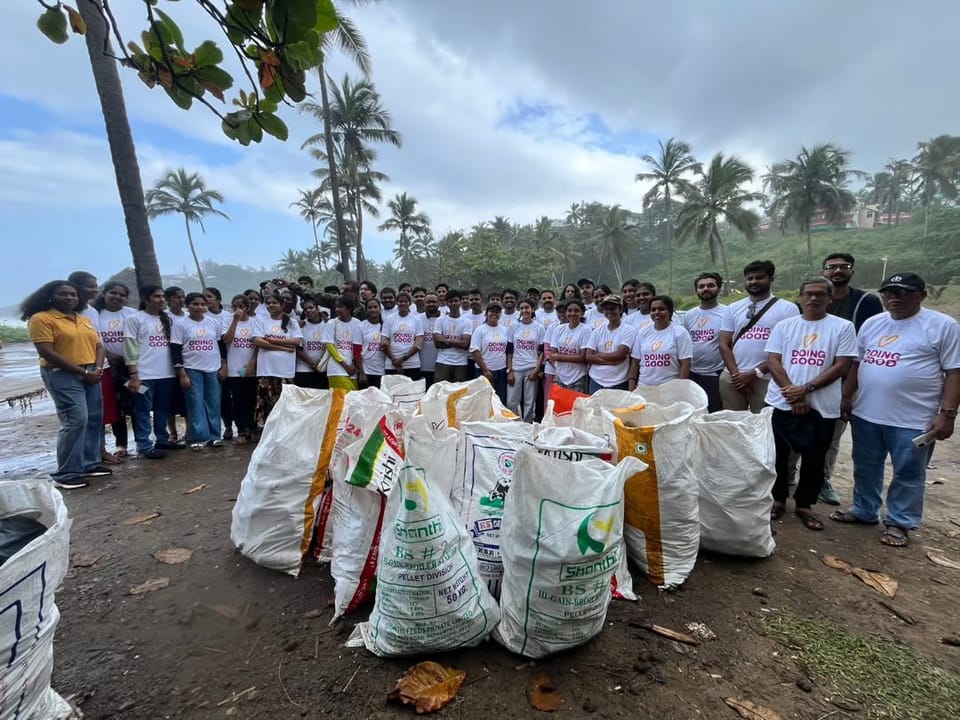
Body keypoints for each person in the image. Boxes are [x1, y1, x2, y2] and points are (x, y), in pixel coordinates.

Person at [832, 273, 960, 547]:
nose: (894, 298)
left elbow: (954, 372)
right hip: (867, 413)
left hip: (914, 418)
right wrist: (846, 395)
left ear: (922, 295)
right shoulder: (873, 323)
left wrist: (947, 414)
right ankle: (865, 510)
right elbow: (858, 363)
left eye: (903, 292)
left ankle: (900, 522)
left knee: (909, 472)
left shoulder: (942, 326)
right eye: (889, 293)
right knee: (865, 466)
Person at [765, 278, 858, 531]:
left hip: (822, 405)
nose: (814, 299)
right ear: (800, 297)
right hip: (783, 403)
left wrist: (806, 390)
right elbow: (774, 361)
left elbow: (842, 365)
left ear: (830, 298)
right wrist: (792, 394)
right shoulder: (785, 326)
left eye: (820, 295)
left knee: (815, 457)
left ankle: (805, 505)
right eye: (808, 294)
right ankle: (778, 499)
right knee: (779, 456)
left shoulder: (843, 327)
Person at [23, 280, 107, 489]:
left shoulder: (82, 319)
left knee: (94, 418)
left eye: (73, 295)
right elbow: (47, 351)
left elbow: (99, 345)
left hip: (91, 372)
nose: (69, 298)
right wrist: (83, 372)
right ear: (50, 296)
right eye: (63, 294)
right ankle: (67, 472)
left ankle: (90, 462)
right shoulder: (41, 319)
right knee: (76, 419)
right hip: (62, 374)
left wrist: (96, 369)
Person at [817, 253, 885, 505]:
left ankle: (822, 479)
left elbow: (870, 344)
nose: (837, 271)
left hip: (845, 378)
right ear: (823, 272)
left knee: (831, 434)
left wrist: (849, 389)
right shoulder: (811, 301)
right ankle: (791, 477)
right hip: (807, 377)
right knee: (794, 429)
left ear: (852, 271)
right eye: (831, 267)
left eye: (843, 267)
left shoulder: (866, 302)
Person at [719, 260, 799, 412]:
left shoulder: (788, 309)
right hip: (732, 377)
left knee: (765, 425)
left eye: (759, 277)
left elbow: (787, 350)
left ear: (771, 279)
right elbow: (724, 344)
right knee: (733, 426)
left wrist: (755, 373)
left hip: (767, 378)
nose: (754, 281)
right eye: (750, 278)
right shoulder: (732, 308)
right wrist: (736, 375)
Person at [124, 285, 179, 459]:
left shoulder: (168, 319)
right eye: (156, 296)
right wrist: (133, 375)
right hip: (144, 375)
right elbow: (130, 348)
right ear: (146, 298)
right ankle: (144, 444)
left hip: (167, 373)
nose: (161, 299)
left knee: (163, 409)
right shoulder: (135, 319)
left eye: (163, 296)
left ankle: (162, 440)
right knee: (143, 410)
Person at [171, 293, 227, 450]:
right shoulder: (180, 324)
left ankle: (215, 436)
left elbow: (220, 345)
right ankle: (199, 437)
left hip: (213, 368)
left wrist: (223, 365)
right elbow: (175, 349)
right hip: (192, 369)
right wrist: (181, 372)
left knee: (214, 403)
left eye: (202, 304)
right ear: (188, 306)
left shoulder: (213, 322)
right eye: (195, 304)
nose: (199, 307)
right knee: (195, 403)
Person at [94, 281, 135, 461]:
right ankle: (121, 444)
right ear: (104, 293)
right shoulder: (96, 315)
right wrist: (107, 352)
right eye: (113, 293)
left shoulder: (131, 314)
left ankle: (143, 441)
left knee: (135, 402)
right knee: (114, 406)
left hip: (132, 367)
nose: (117, 297)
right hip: (109, 369)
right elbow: (93, 338)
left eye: (121, 294)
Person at [252, 293, 303, 425]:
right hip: (266, 370)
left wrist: (272, 340)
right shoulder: (261, 320)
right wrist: (284, 348)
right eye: (268, 303)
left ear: (282, 305)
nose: (271, 305)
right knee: (266, 403)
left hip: (285, 371)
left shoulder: (291, 322)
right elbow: (258, 341)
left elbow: (297, 341)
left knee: (285, 404)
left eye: (274, 302)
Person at [683, 272, 729, 412]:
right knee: (695, 413)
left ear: (719, 288)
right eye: (701, 286)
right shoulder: (689, 315)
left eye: (710, 285)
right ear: (696, 290)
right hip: (693, 374)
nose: (705, 289)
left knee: (716, 413)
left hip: (717, 374)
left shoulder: (727, 313)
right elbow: (687, 344)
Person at [629, 295, 692, 389]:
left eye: (661, 309)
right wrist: (631, 386)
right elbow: (635, 361)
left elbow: (685, 364)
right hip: (644, 386)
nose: (656, 312)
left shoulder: (680, 332)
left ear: (670, 312)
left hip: (669, 388)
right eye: (653, 310)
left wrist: (680, 389)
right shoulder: (642, 332)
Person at [222, 294, 258, 444]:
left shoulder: (255, 322)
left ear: (247, 308)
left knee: (251, 401)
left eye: (241, 306)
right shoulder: (227, 321)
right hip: (233, 369)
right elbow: (226, 340)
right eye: (235, 306)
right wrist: (235, 320)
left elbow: (258, 345)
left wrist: (252, 363)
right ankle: (241, 430)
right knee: (237, 401)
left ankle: (251, 427)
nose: (238, 309)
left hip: (251, 369)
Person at [585, 295, 637, 393]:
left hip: (618, 381)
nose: (609, 311)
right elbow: (588, 356)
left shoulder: (629, 330)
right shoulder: (597, 331)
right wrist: (611, 362)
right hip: (596, 380)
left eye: (613, 308)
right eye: (606, 309)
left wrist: (598, 355)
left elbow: (620, 354)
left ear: (620, 309)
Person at [506, 299, 545, 422]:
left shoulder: (539, 327)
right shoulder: (513, 326)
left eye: (527, 308)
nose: (524, 311)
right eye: (522, 308)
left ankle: (527, 426)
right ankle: (513, 425)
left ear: (532, 309)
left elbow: (542, 352)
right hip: (516, 368)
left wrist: (536, 370)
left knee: (529, 402)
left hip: (531, 368)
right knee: (511, 401)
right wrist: (510, 370)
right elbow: (509, 350)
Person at [549, 299, 593, 392]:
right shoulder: (559, 329)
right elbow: (552, 354)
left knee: (575, 405)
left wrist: (559, 357)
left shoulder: (586, 330)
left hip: (578, 376)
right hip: (560, 375)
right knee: (557, 405)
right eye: (569, 310)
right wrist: (558, 358)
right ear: (565, 312)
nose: (572, 313)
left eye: (576, 311)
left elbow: (582, 358)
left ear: (582, 313)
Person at [323, 296, 365, 391]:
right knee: (340, 401)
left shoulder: (357, 323)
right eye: (336, 307)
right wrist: (345, 364)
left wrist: (354, 365)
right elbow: (329, 346)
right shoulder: (332, 323)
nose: (337, 309)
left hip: (353, 370)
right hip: (336, 369)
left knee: (352, 400)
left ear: (349, 308)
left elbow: (357, 347)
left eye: (341, 307)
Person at [470, 304, 509, 403]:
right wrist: (485, 370)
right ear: (486, 314)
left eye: (497, 312)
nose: (494, 314)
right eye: (492, 311)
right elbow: (475, 351)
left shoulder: (504, 330)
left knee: (500, 399)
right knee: (483, 400)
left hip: (501, 370)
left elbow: (508, 350)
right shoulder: (480, 330)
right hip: (484, 371)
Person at [381, 291, 423, 379]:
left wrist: (403, 359)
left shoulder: (416, 320)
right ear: (396, 303)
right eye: (400, 301)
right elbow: (384, 342)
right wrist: (394, 360)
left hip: (412, 364)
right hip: (392, 364)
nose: (403, 304)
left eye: (406, 301)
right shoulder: (389, 319)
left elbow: (418, 344)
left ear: (410, 303)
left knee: (413, 391)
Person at [433, 290, 473, 382]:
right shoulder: (440, 320)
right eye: (450, 301)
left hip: (461, 363)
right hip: (442, 361)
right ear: (447, 303)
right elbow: (436, 342)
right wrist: (457, 343)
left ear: (460, 302)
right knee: (440, 391)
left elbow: (465, 344)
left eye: (456, 301)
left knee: (459, 393)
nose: (453, 303)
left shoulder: (467, 322)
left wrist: (445, 341)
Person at [294, 297, 328, 389]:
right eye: (305, 309)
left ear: (317, 309)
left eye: (311, 308)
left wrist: (321, 363)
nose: (308, 311)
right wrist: (312, 364)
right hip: (303, 370)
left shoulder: (327, 326)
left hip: (322, 369)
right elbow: (298, 348)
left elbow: (329, 347)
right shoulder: (300, 326)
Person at [359, 298, 385, 388]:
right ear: (366, 310)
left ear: (380, 308)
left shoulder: (386, 325)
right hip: (366, 372)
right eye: (370, 307)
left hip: (383, 372)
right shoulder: (361, 326)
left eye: (375, 307)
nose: (373, 309)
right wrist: (362, 373)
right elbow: (356, 351)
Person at [418, 292, 441, 388]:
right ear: (424, 303)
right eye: (428, 302)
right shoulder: (417, 319)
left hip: (441, 365)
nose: (431, 304)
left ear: (439, 303)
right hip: (422, 365)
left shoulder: (445, 318)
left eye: (434, 302)